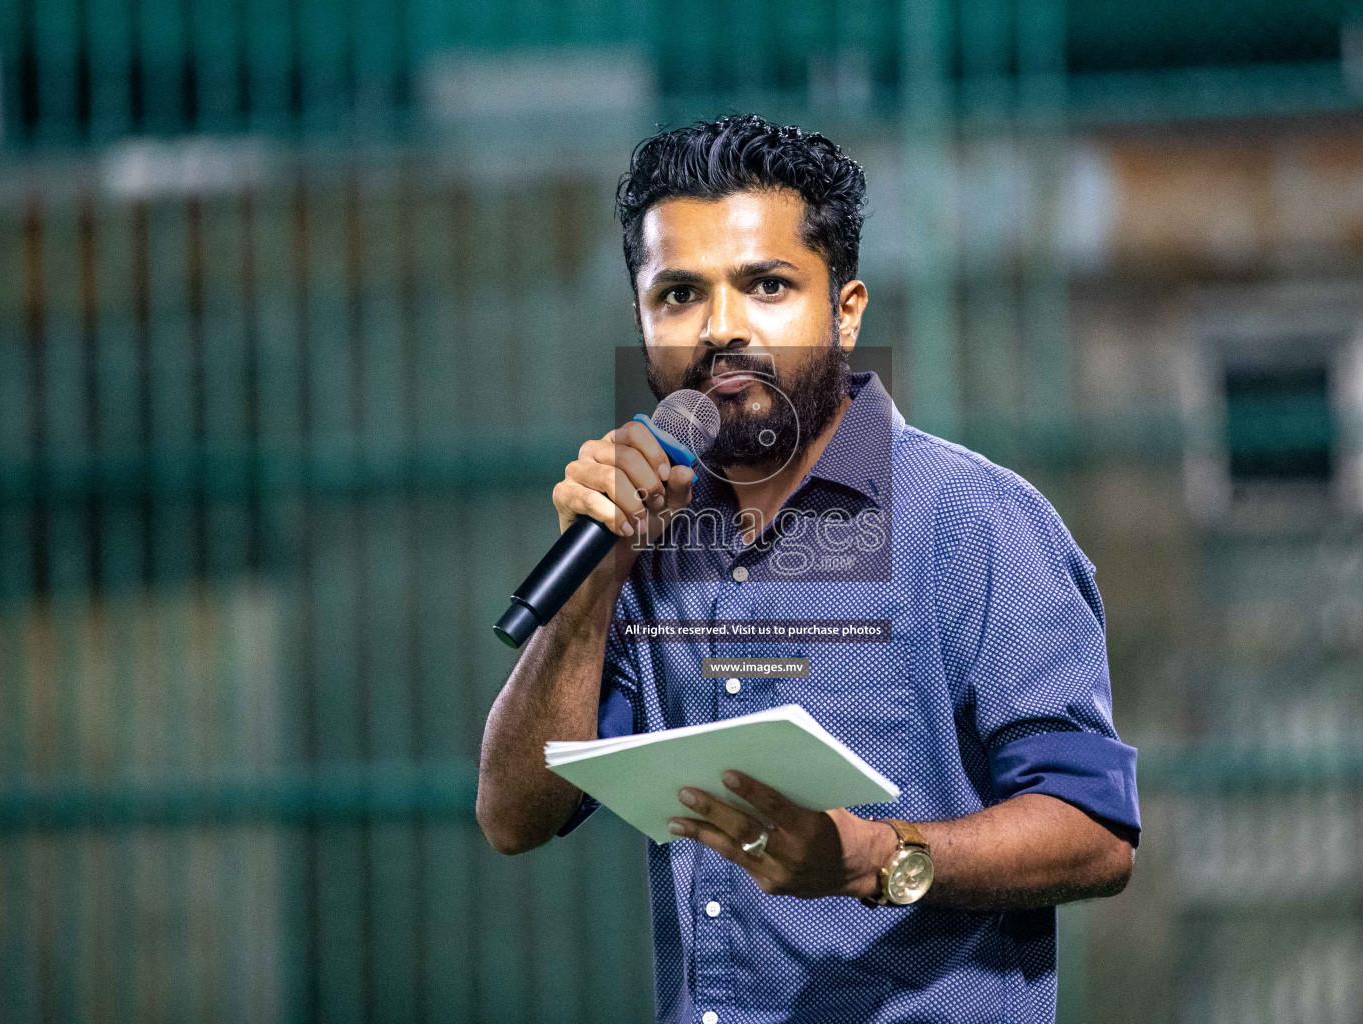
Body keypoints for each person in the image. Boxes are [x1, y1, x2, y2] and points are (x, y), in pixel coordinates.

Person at [476, 114, 1140, 1024]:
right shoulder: (644, 542)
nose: (721, 329)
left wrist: (872, 859)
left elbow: (1094, 834)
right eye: (678, 295)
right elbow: (516, 815)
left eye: (767, 285)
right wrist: (594, 580)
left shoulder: (974, 523)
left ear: (847, 310)